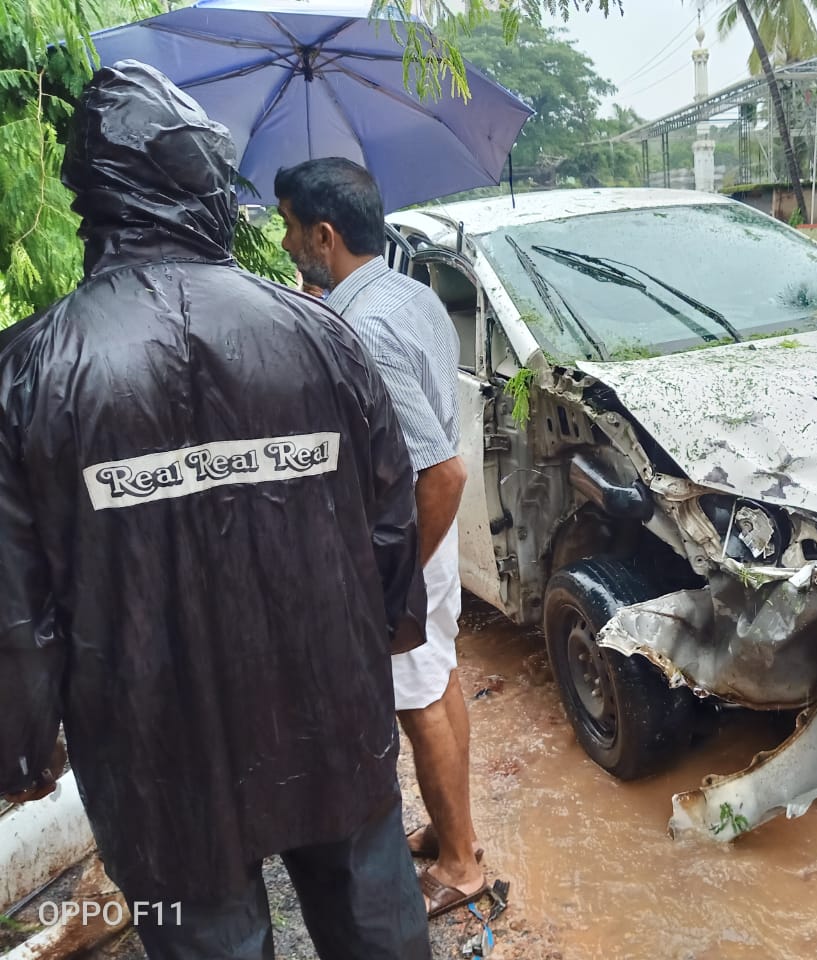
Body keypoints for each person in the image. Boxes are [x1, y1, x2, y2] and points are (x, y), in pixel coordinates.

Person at [0, 62, 431, 960]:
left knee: (209, 938)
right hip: (332, 701)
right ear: (202, 184)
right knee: (373, 918)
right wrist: (391, 631)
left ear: (94, 192)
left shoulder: (30, 372)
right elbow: (389, 518)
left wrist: (22, 748)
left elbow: (17, 605)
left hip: (159, 740)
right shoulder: (321, 336)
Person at [273, 158, 483, 919]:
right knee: (439, 682)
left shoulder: (367, 327)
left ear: (323, 235)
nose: (287, 236)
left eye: (292, 224)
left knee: (417, 701)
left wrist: (385, 581)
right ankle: (454, 829)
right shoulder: (407, 293)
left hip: (402, 546)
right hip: (423, 545)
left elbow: (443, 473)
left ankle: (462, 864)